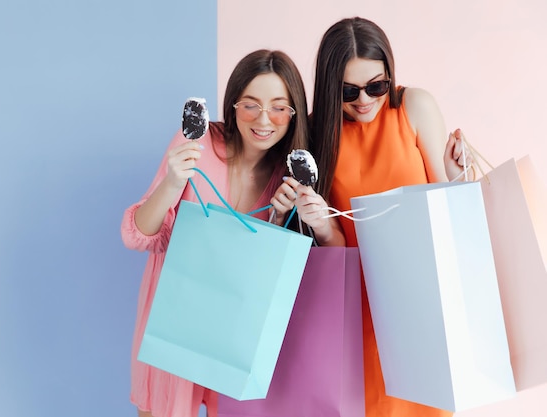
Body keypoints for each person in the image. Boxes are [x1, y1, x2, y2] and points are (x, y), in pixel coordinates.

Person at [283, 16, 473, 417]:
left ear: (389, 73)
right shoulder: (318, 133)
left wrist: (458, 173)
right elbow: (333, 243)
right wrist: (318, 221)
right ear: (330, 85)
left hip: (421, 295)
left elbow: (445, 205)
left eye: (377, 86)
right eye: (349, 90)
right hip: (358, 303)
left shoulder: (414, 106)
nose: (365, 100)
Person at [120, 49, 309, 417]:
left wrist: (278, 219)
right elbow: (137, 236)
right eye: (251, 104)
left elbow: (262, 275)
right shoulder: (197, 143)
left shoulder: (286, 177)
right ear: (233, 104)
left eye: (278, 107)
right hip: (176, 326)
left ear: (293, 113)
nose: (264, 119)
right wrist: (173, 183)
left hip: (237, 338)